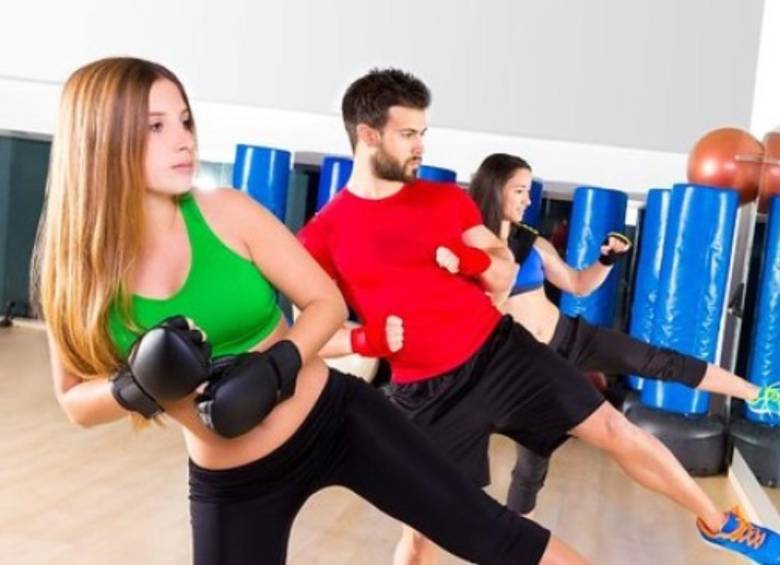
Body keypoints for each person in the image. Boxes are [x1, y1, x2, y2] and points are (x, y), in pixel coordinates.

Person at [32, 57, 590, 565]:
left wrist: (279, 363)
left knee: (498, 538)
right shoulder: (77, 272)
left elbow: (324, 302)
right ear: (99, 140)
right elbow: (74, 400)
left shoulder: (227, 213)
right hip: (233, 479)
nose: (183, 141)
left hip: (338, 418)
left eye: (185, 121)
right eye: (157, 127)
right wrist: (137, 386)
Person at [298, 68, 780, 565]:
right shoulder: (324, 235)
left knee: (617, 431)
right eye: (408, 135)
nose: (420, 146)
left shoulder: (444, 200)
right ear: (367, 135)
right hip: (426, 397)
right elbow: (305, 334)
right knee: (421, 534)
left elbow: (503, 274)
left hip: (502, 352)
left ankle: (719, 524)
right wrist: (364, 341)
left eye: (423, 133)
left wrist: (476, 262)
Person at [469, 151, 780, 518]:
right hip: (528, 364)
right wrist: (507, 262)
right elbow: (480, 311)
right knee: (533, 463)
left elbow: (578, 285)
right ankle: (514, 541)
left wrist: (605, 260)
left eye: (527, 190)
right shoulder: (471, 247)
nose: (528, 199)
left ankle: (757, 395)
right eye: (519, 190)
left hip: (571, 336)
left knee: (660, 360)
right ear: (495, 189)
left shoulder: (533, 242)